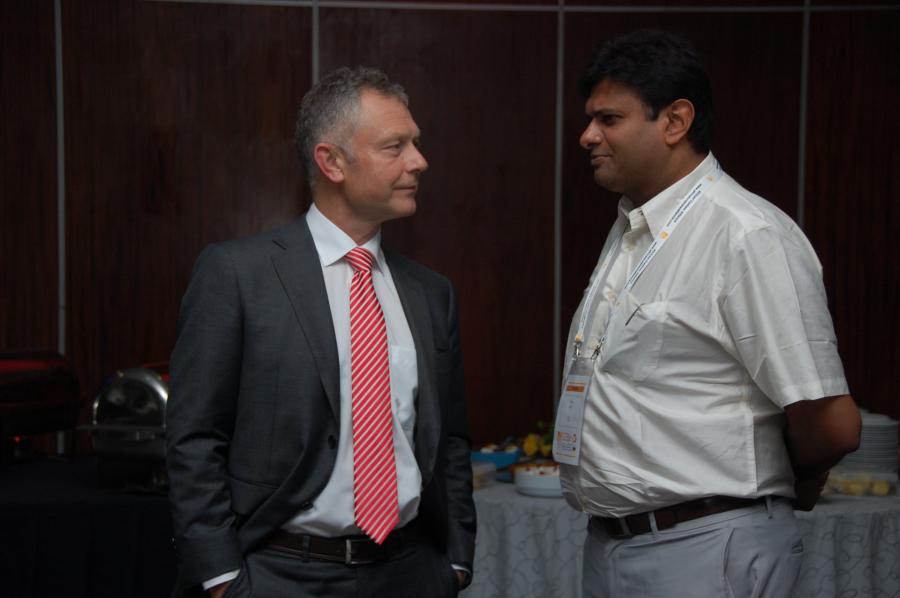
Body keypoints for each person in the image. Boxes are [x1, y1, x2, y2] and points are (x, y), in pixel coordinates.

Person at [553, 30, 861, 598]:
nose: (587, 135)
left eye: (609, 119)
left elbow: (832, 423)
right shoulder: (633, 229)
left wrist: (789, 479)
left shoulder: (745, 235)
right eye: (590, 118)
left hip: (705, 545)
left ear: (675, 121)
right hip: (615, 543)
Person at [166, 66, 475, 598]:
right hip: (281, 573)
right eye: (395, 146)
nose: (418, 161)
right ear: (332, 162)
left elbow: (449, 440)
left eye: (416, 143)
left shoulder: (431, 293)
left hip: (411, 571)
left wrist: (455, 562)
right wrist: (222, 578)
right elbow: (194, 436)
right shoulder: (237, 275)